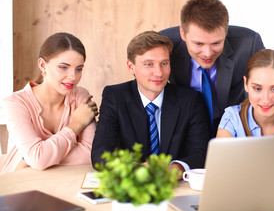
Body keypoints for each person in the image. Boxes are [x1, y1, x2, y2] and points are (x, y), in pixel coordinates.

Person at [91, 31, 209, 179]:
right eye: (149, 64)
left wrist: (176, 169)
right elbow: (100, 153)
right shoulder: (115, 96)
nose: (159, 73)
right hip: (132, 187)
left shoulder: (190, 100)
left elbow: (200, 152)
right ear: (131, 66)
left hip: (175, 186)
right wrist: (135, 169)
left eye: (164, 63)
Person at [160, 0, 265, 136]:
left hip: (234, 126)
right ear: (182, 34)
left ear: (225, 33)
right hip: (186, 127)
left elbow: (268, 87)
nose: (207, 53)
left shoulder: (249, 43)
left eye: (216, 43)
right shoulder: (165, 45)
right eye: (198, 44)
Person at [0, 32, 98, 174]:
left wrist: (34, 158)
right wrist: (77, 124)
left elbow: (91, 154)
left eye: (79, 69)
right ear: (42, 65)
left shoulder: (80, 96)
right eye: (63, 67)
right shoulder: (15, 103)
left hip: (61, 182)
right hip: (20, 184)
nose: (73, 77)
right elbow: (38, 159)